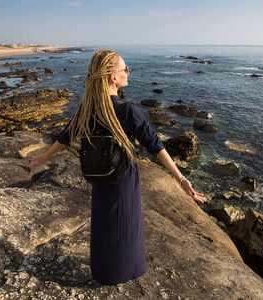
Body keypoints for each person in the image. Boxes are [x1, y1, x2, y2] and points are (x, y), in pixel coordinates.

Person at [29, 50, 206, 285]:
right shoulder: (126, 109)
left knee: (104, 224)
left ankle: (104, 271)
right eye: (124, 69)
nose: (127, 72)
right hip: (124, 178)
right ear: (113, 77)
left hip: (99, 175)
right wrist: (182, 180)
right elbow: (156, 146)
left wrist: (46, 156)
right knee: (126, 224)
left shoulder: (88, 108)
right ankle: (127, 270)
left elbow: (66, 135)